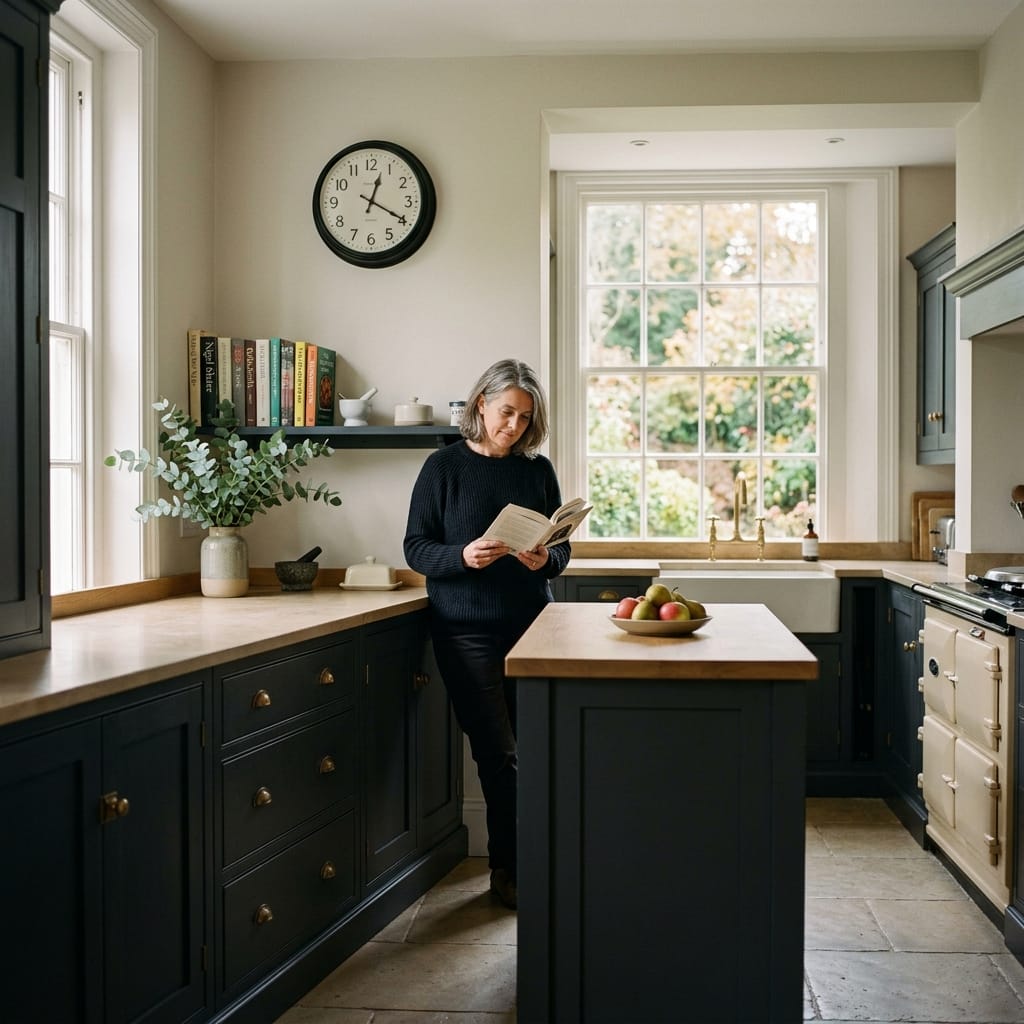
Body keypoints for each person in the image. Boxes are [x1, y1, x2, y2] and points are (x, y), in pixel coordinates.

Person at [403, 358, 570, 909]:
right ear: (481, 404)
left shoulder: (537, 471)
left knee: (537, 750)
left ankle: (534, 861)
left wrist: (547, 558)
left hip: (533, 628)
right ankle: (510, 870)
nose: (514, 426)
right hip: (465, 632)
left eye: (525, 418)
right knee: (499, 755)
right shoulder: (443, 467)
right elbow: (416, 547)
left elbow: (562, 549)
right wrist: (462, 556)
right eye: (506, 412)